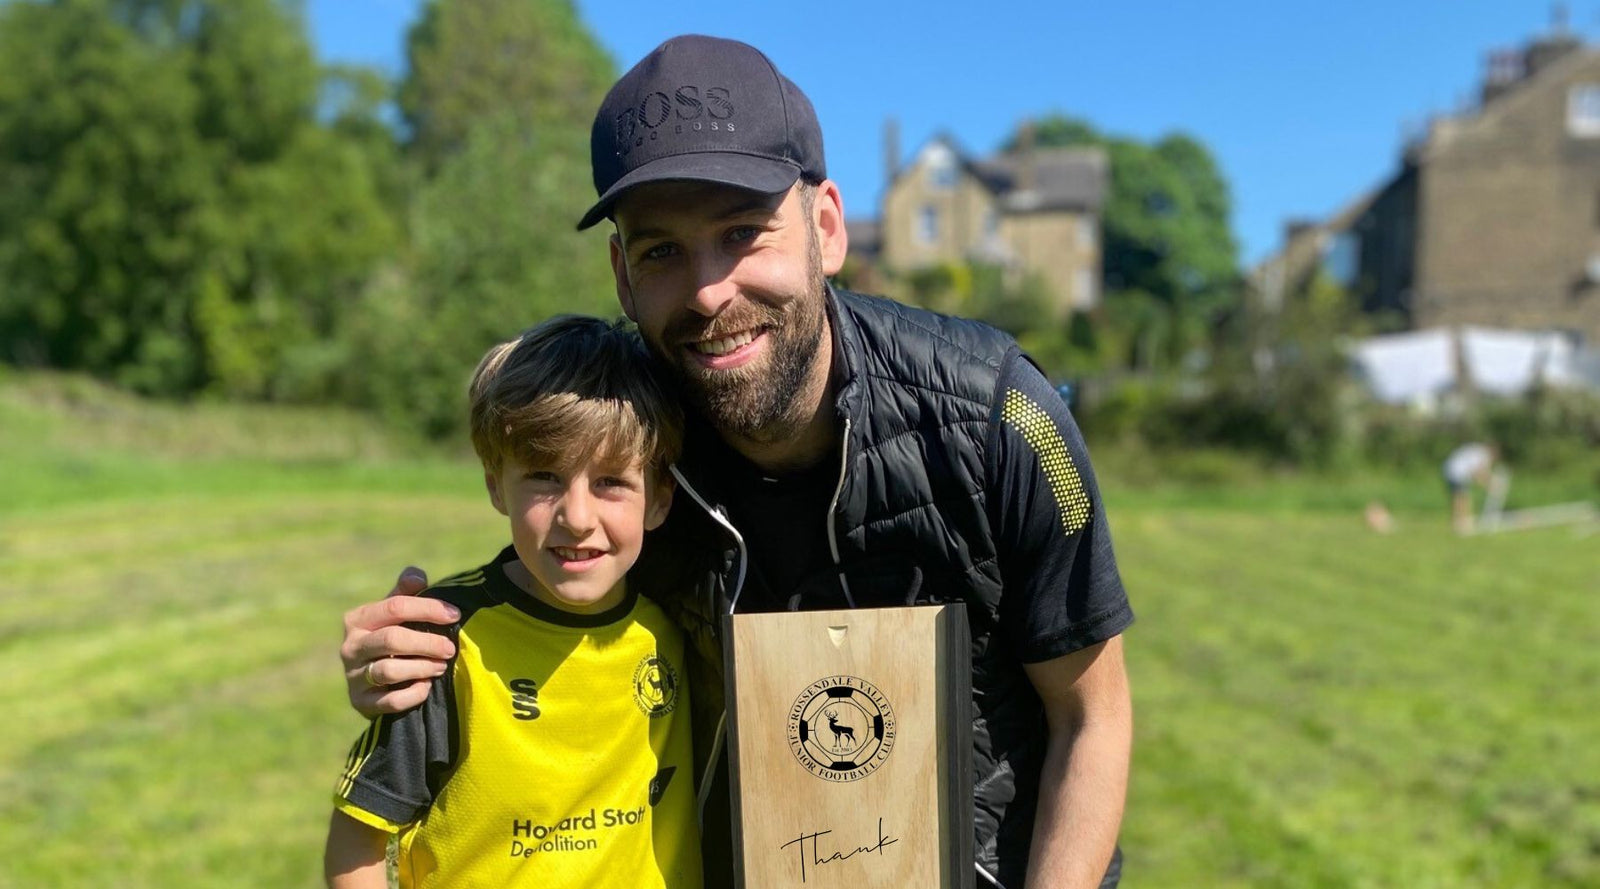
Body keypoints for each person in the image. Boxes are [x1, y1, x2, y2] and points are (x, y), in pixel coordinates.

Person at [339, 35, 1134, 889]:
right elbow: (537, 598)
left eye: (742, 233)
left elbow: (1091, 715)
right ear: (620, 273)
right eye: (662, 252)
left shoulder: (997, 414)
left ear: (825, 228)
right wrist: (413, 657)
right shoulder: (625, 431)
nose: (710, 290)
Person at [323, 316, 701, 889]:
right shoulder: (440, 642)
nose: (577, 517)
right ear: (496, 484)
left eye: (610, 483)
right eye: (545, 477)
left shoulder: (682, 618)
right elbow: (357, 846)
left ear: (659, 500)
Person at [1442, 441, 1498, 534]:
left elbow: (1480, 473)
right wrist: (1489, 485)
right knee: (1463, 499)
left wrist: (1487, 483)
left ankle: (1457, 522)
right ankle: (1463, 524)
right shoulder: (1482, 455)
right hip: (1457, 472)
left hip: (1449, 469)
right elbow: (1477, 473)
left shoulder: (1477, 451)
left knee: (1458, 498)